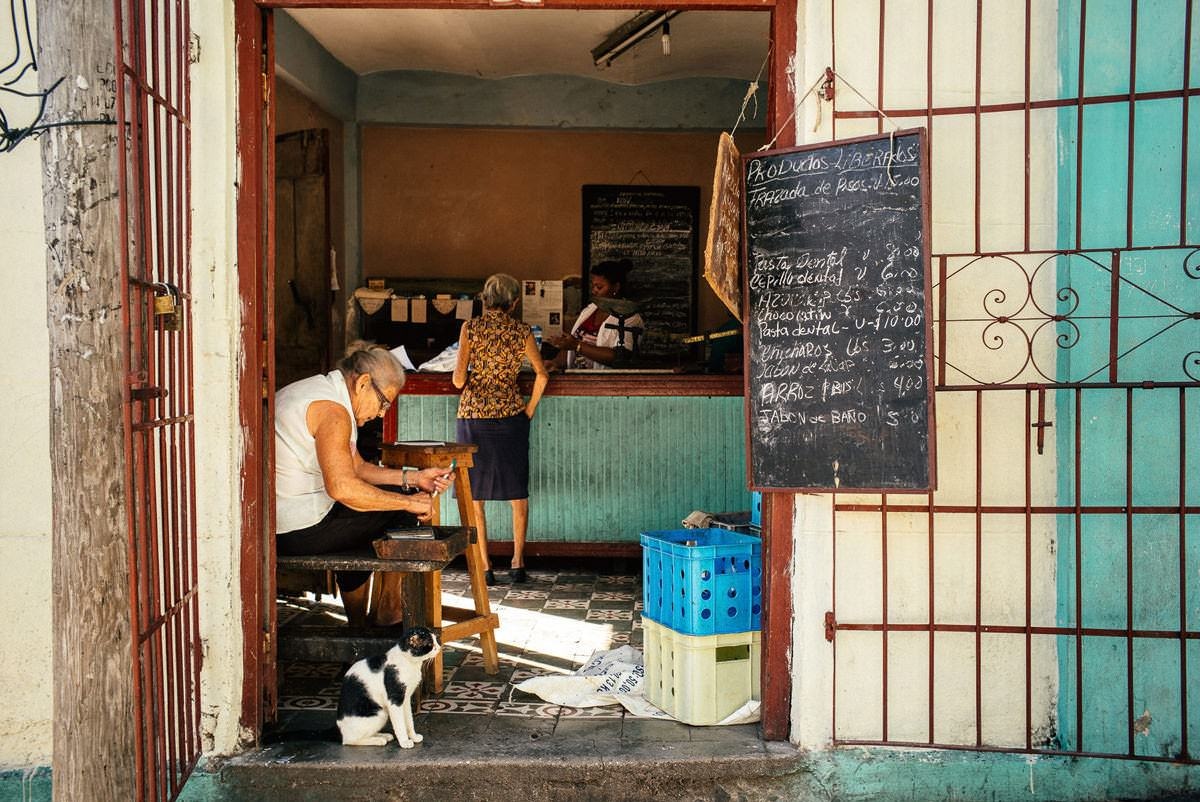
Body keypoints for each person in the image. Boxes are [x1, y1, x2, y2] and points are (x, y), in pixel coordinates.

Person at [275, 342, 453, 626]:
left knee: (372, 512)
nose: (382, 413)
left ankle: (360, 624)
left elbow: (357, 467)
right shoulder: (333, 412)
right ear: (363, 383)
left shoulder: (318, 391)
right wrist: (409, 502)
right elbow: (343, 488)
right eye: (383, 402)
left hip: (286, 523)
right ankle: (388, 616)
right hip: (298, 529)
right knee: (397, 512)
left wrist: (414, 479)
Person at [453, 273, 550, 584]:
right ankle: (517, 562)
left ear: (484, 299)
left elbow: (457, 380)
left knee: (475, 496)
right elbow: (542, 375)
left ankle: (485, 566)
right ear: (515, 303)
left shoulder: (471, 328)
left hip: (473, 417)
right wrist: (529, 410)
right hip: (510, 417)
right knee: (516, 493)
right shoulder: (521, 331)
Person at [549, 259, 644, 368]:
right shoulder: (590, 310)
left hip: (604, 382)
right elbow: (571, 349)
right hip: (577, 380)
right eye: (593, 286)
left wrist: (578, 345)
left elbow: (621, 357)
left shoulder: (630, 318)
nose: (594, 291)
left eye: (599, 287)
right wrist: (554, 363)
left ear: (615, 287)